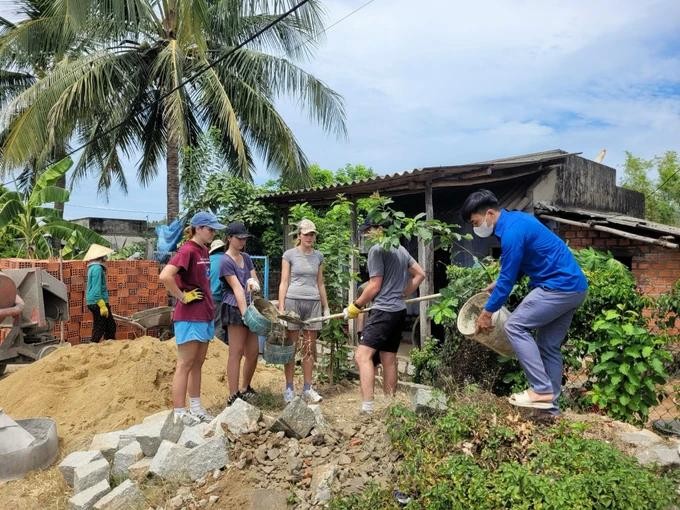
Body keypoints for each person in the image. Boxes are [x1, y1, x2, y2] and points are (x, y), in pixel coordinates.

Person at [461, 189, 588, 413]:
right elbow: (520, 266)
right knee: (548, 346)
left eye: (476, 222)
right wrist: (499, 282)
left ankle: (540, 389)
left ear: (489, 214)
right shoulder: (517, 220)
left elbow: (508, 280)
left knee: (515, 325)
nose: (475, 227)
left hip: (557, 287)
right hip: (575, 288)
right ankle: (550, 409)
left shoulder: (511, 233)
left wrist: (487, 312)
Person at [345, 218, 426, 414]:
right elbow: (420, 274)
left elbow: (374, 286)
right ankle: (391, 405)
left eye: (367, 232)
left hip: (383, 311)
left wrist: (354, 307)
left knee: (362, 356)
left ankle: (367, 408)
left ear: (378, 228)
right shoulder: (400, 248)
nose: (366, 236)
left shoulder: (377, 250)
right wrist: (405, 292)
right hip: (398, 311)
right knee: (388, 358)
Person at [159, 211, 225, 425]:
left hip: (205, 314)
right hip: (189, 316)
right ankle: (179, 411)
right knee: (185, 363)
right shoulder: (187, 250)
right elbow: (165, 276)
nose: (213, 233)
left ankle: (196, 407)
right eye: (210, 229)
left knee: (197, 363)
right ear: (198, 228)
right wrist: (182, 296)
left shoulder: (204, 251)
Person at [278, 219, 329, 403]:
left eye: (312, 234)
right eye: (306, 234)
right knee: (291, 347)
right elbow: (284, 282)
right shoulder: (289, 255)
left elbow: (320, 283)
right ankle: (289, 388)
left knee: (309, 347)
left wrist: (326, 307)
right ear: (299, 235)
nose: (309, 237)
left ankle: (308, 388)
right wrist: (282, 309)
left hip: (313, 303)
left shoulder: (318, 256)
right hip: (293, 302)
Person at [220, 221, 262, 406]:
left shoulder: (246, 257)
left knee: (252, 352)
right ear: (230, 238)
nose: (242, 241)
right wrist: (246, 315)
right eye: (239, 238)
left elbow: (253, 280)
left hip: (250, 306)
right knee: (235, 352)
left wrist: (257, 294)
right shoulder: (225, 261)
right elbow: (237, 288)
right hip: (235, 308)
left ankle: (245, 387)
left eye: (244, 238)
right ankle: (233, 393)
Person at [84, 244, 116, 343]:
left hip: (93, 301)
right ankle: (92, 346)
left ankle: (108, 346)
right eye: (104, 256)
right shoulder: (97, 268)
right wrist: (102, 305)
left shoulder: (92, 267)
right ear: (100, 257)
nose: (106, 258)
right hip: (98, 301)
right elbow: (96, 289)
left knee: (108, 325)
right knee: (102, 327)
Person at [208, 239, 227, 343]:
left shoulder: (207, 259)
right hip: (219, 298)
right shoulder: (227, 260)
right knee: (218, 326)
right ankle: (218, 351)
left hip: (206, 297)